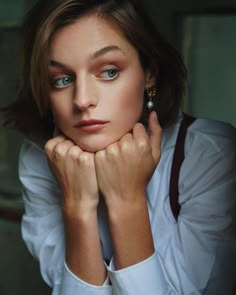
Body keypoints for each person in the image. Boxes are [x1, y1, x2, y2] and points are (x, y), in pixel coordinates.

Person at [2, 0, 236, 294]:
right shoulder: (40, 160)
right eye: (62, 79)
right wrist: (78, 205)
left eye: (109, 71)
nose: (82, 100)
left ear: (148, 74)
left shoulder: (210, 154)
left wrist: (126, 199)